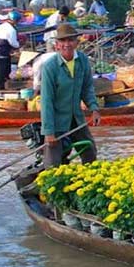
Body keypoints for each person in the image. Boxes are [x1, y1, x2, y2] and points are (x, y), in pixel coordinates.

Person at [40, 23, 100, 168]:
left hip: (76, 117)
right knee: (53, 163)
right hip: (56, 121)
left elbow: (87, 88)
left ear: (76, 43)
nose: (67, 44)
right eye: (63, 41)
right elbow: (47, 101)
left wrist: (94, 108)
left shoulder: (83, 61)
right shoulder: (50, 66)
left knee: (90, 152)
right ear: (57, 45)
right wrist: (49, 132)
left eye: (70, 40)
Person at [0, 11, 21, 90]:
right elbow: (13, 43)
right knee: (2, 71)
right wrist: (19, 45)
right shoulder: (11, 30)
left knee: (7, 67)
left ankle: (7, 83)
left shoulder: (1, 26)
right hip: (1, 51)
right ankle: (0, 88)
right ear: (15, 21)